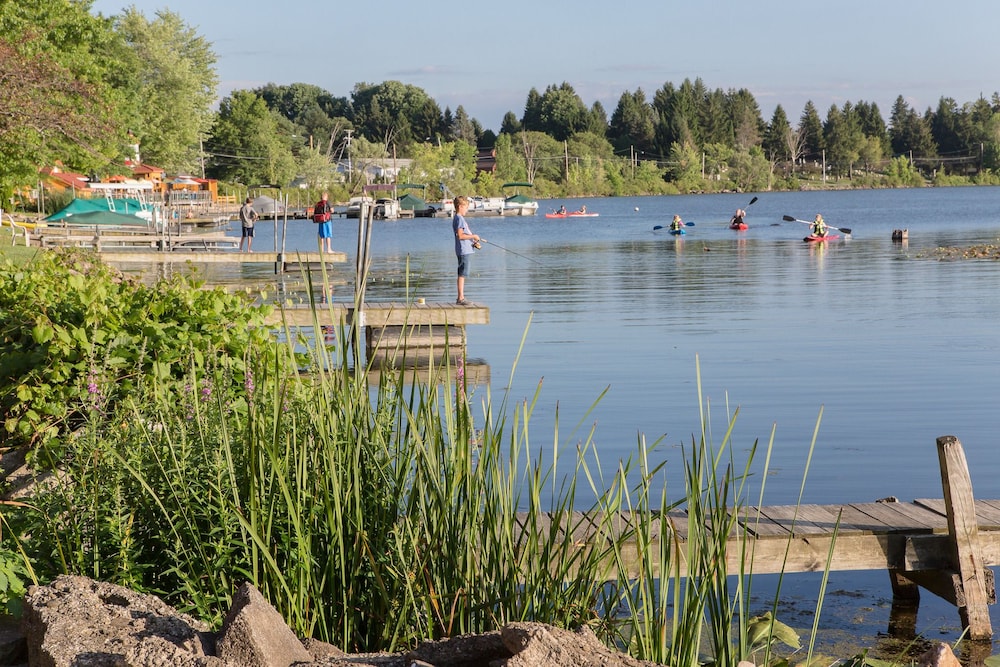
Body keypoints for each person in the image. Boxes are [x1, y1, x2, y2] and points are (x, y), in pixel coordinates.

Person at [452, 195, 481, 305]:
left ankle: (460, 297)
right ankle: (461, 298)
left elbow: (463, 234)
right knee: (462, 274)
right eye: (466, 207)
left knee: (462, 273)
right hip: (464, 250)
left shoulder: (457, 218)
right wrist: (473, 236)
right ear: (460, 207)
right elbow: (460, 235)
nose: (467, 210)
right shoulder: (459, 219)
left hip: (464, 249)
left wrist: (473, 242)